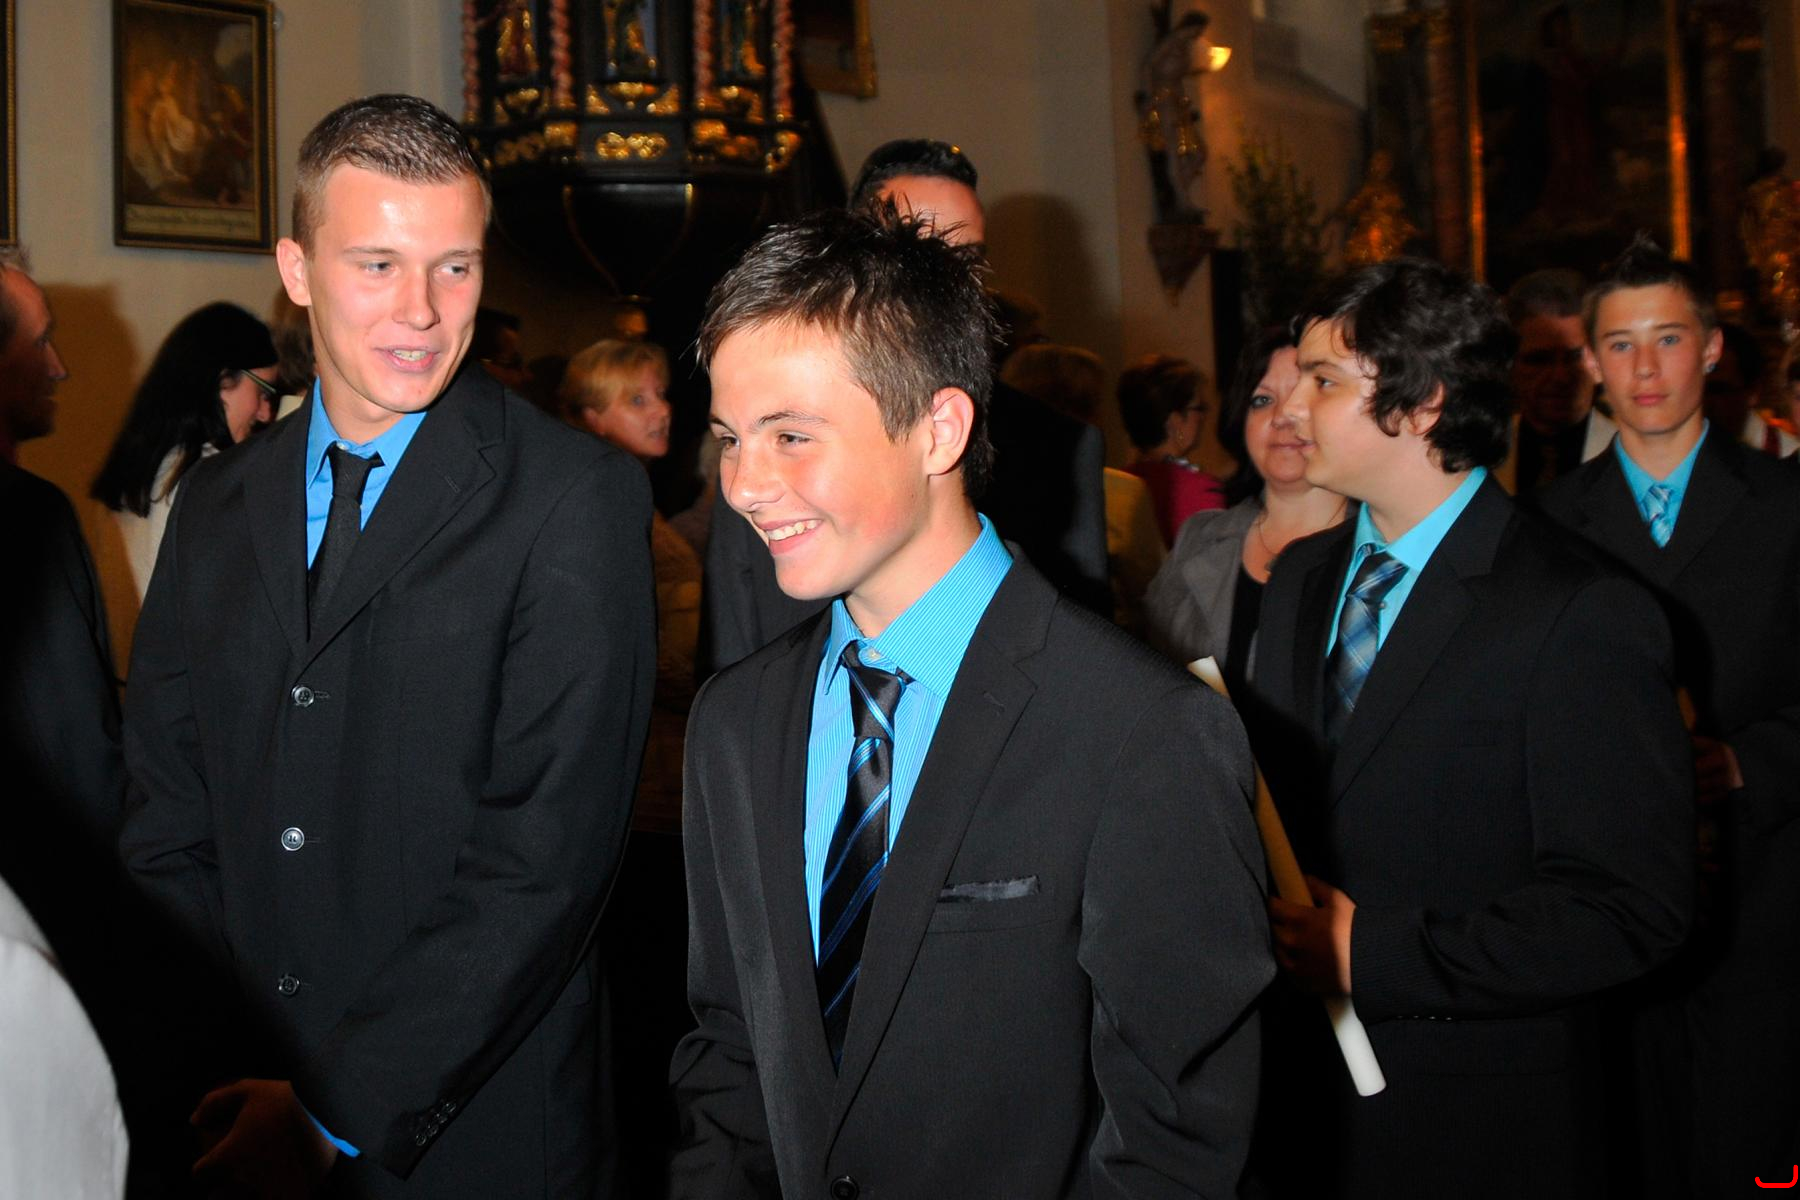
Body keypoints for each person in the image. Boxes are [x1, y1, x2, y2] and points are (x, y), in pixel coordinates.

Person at [670, 204, 1271, 1199]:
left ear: (938, 429)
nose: (744, 484)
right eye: (731, 438)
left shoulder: (1141, 730)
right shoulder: (736, 723)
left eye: (792, 435)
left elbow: (1175, 1142)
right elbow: (732, 1054)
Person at [118, 94, 655, 1198]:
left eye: (454, 268)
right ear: (297, 270)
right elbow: (167, 810)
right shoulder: (216, 504)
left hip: (470, 1136)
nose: (422, 311)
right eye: (377, 264)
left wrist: (330, 1108)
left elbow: (544, 862)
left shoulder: (573, 498)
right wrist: (221, 1062)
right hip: (233, 1113)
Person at [1248, 258, 1693, 1199]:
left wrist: (1372, 953)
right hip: (1298, 1107)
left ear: (1423, 403)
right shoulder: (1299, 578)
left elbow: (1627, 909)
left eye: (1323, 381)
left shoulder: (1576, 607)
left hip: (1480, 1120)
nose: (1291, 408)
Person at [1537, 235, 1800, 1198]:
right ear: (1591, 361)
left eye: (1669, 339)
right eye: (1621, 345)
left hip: (1766, 888)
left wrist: (1743, 761)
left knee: (1749, 1143)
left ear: (1713, 348)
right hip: (1608, 897)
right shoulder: (1546, 522)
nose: (1645, 369)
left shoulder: (1787, 504)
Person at [698, 138, 1111, 674]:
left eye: (966, 260)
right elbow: (731, 653)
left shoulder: (1058, 444)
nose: (944, 281)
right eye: (915, 250)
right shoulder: (760, 465)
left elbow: (1080, 657)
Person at [558, 336, 698, 1196]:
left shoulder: (635, 504)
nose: (661, 410)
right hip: (642, 793)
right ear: (590, 416)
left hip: (655, 787)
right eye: (636, 398)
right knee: (645, 1004)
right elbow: (647, 661)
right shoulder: (611, 511)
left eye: (661, 393)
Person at [1142, 328, 1348, 695]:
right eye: (1262, 400)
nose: (1282, 416)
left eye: (1303, 397)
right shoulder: (1199, 538)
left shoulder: (1377, 555)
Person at [91, 302, 279, 601]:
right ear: (223, 379)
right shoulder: (211, 477)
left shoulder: (140, 464)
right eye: (263, 392)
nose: (265, 413)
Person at [998, 341, 1165, 635]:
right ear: (1086, 407)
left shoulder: (982, 487)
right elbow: (1152, 594)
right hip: (1099, 642)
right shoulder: (1122, 492)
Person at [1497, 268, 1615, 492]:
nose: (1560, 377)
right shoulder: (1479, 456)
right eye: (1539, 360)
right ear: (1510, 365)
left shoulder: (1634, 458)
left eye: (1574, 357)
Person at [1119, 353, 1227, 546]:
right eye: (1199, 408)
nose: (1203, 417)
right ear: (1175, 421)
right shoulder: (1199, 492)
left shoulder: (1117, 486)